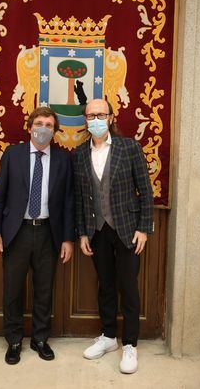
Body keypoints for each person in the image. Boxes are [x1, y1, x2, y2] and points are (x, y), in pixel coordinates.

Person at [0, 107, 75, 365]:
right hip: (17, 232)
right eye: (39, 123)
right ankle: (14, 340)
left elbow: (69, 202)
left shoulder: (62, 159)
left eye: (49, 125)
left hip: (49, 233)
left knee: (44, 290)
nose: (44, 128)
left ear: (55, 131)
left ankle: (39, 339)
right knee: (12, 290)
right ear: (29, 127)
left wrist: (68, 239)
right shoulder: (12, 155)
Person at [73, 99, 154, 374]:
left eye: (100, 114)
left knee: (128, 286)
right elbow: (81, 198)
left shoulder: (129, 147)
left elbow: (145, 190)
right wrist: (82, 232)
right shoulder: (79, 153)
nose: (95, 119)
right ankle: (108, 337)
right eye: (91, 115)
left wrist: (144, 228)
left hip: (128, 229)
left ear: (110, 117)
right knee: (105, 285)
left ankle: (130, 344)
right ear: (85, 119)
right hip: (97, 231)